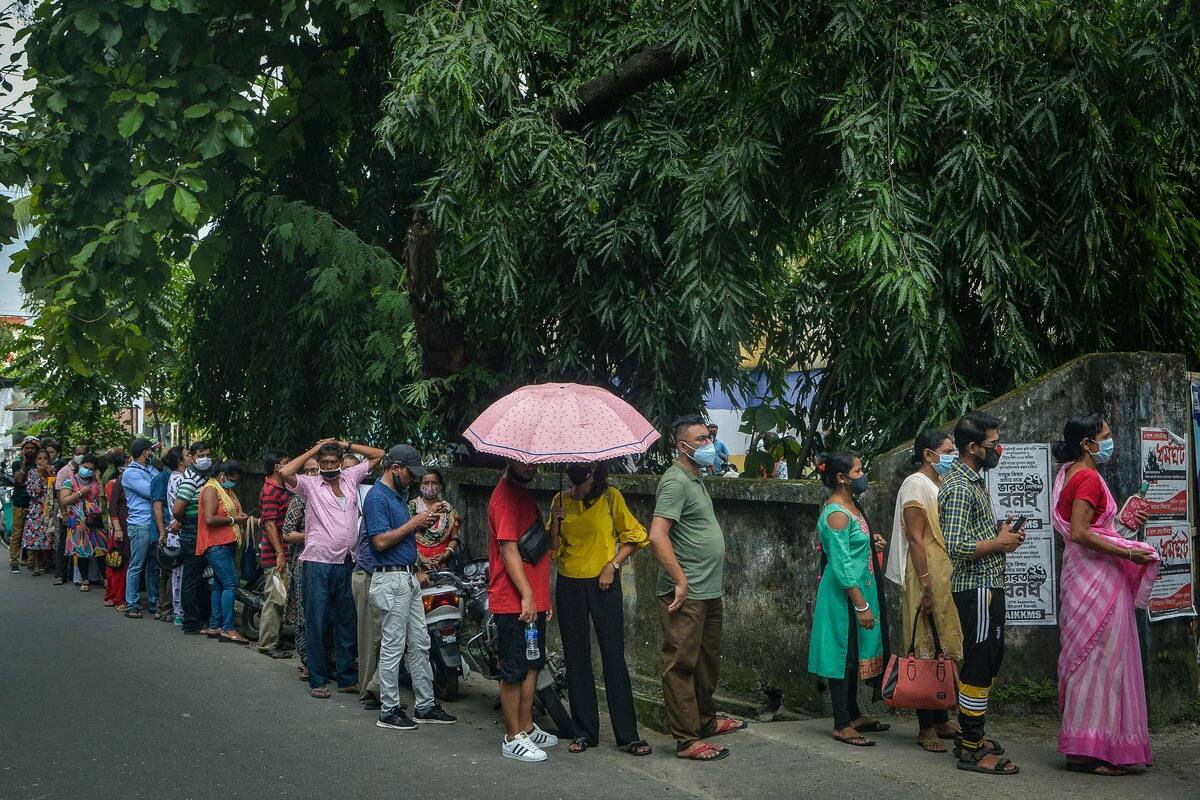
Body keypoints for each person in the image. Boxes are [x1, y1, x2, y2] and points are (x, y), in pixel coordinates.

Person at [1050, 415, 1159, 776]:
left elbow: (1093, 528)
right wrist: (1129, 551)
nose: (1110, 442)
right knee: (1102, 663)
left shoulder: (1068, 473)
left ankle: (1087, 746)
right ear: (1086, 443)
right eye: (1106, 436)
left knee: (1090, 662)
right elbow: (1081, 532)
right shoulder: (1086, 477)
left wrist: (1122, 527)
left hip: (1083, 575)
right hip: (1097, 578)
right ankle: (1092, 750)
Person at [648, 415, 746, 762]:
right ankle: (687, 739)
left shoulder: (696, 478)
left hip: (708, 590)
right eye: (701, 440)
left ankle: (705, 720)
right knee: (681, 665)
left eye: (708, 437)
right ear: (682, 446)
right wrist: (680, 579)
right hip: (684, 593)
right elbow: (657, 535)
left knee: (707, 662)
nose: (708, 444)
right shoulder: (675, 481)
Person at [940, 411, 1023, 775]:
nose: (998, 450)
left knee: (987, 661)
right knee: (978, 664)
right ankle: (971, 748)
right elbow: (956, 546)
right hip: (977, 588)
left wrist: (1000, 535)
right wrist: (999, 542)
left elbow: (973, 535)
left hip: (987, 585)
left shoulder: (973, 480)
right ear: (972, 448)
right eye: (992, 445)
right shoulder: (959, 487)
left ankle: (969, 736)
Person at [549, 462, 651, 756]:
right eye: (574, 471)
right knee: (576, 657)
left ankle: (628, 735)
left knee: (613, 656)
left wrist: (613, 565)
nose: (579, 477)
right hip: (569, 585)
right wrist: (555, 522)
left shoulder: (611, 497)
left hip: (604, 584)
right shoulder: (559, 500)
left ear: (594, 471)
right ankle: (584, 732)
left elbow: (635, 536)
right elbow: (553, 551)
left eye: (584, 471)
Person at [279, 438, 384, 699]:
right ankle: (317, 678)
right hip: (318, 561)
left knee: (346, 621)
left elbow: (379, 454)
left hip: (346, 561)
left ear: (339, 462)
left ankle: (347, 677)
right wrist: (314, 450)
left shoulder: (350, 477)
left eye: (332, 461)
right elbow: (284, 472)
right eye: (323, 462)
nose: (328, 466)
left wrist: (345, 445)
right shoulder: (310, 485)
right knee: (317, 620)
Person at [365, 445, 458, 730]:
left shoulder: (397, 496)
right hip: (391, 578)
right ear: (394, 468)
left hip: (407, 576)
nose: (413, 480)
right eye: (410, 473)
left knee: (420, 643)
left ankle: (425, 704)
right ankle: (389, 709)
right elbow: (380, 542)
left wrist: (422, 522)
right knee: (394, 646)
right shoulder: (376, 497)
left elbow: (402, 536)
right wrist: (414, 523)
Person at [883, 430, 965, 751]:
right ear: (929, 454)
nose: (953, 455)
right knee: (924, 646)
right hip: (924, 574)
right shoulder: (916, 485)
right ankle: (925, 728)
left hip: (943, 574)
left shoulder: (938, 484)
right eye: (948, 450)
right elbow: (916, 538)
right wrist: (926, 581)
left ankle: (942, 716)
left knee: (943, 644)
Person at [807, 452, 888, 746]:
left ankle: (853, 714)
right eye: (858, 470)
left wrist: (869, 541)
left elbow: (852, 546)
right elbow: (840, 565)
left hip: (856, 590)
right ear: (841, 478)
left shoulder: (851, 506)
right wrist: (861, 604)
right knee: (843, 656)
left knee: (854, 655)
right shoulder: (837, 513)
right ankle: (842, 723)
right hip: (844, 595)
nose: (862, 474)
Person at [489, 458, 558, 762]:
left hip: (532, 601)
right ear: (509, 460)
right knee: (514, 669)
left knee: (532, 664)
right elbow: (508, 548)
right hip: (514, 600)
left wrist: (540, 598)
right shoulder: (505, 496)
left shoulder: (522, 494)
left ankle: (527, 726)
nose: (531, 468)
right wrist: (528, 595)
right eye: (525, 463)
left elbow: (540, 548)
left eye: (534, 465)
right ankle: (512, 736)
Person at [197, 460, 251, 645]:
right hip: (216, 544)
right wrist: (234, 520)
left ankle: (215, 626)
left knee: (219, 585)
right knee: (231, 584)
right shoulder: (211, 489)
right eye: (232, 480)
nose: (234, 483)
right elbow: (210, 519)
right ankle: (228, 628)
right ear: (223, 476)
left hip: (225, 542)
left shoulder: (224, 489)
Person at [173, 441, 215, 635]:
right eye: (200, 455)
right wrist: (185, 521)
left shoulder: (202, 477)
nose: (205, 458)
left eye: (207, 454)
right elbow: (177, 509)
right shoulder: (190, 479)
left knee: (199, 579)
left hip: (200, 536)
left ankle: (198, 618)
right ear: (191, 456)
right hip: (192, 536)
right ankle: (191, 622)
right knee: (191, 580)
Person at [283, 457, 319, 682]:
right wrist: (314, 537)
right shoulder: (299, 500)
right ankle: (307, 662)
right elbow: (287, 532)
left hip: (330, 563)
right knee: (305, 614)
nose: (314, 475)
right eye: (309, 471)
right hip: (304, 562)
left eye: (317, 470)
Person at [257, 448, 293, 659]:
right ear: (278, 467)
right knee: (275, 598)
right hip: (275, 555)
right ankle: (268, 644)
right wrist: (280, 552)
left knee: (279, 597)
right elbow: (270, 524)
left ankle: (273, 639)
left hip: (280, 553)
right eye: (286, 462)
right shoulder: (271, 490)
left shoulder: (280, 488)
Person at [122, 438, 161, 619]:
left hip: (153, 523)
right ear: (145, 452)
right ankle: (132, 603)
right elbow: (151, 491)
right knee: (137, 564)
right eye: (150, 450)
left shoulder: (151, 469)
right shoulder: (130, 473)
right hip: (140, 523)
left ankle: (154, 602)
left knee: (154, 565)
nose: (152, 453)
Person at [59, 453, 106, 591]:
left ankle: (105, 578)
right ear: (79, 466)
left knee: (101, 550)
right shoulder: (70, 481)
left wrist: (98, 479)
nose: (88, 470)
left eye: (91, 469)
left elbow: (103, 497)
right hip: (78, 521)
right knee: (81, 551)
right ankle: (84, 580)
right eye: (85, 467)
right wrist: (80, 493)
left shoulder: (96, 481)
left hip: (95, 521)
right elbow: (63, 500)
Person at [153, 446, 187, 624]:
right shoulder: (178, 479)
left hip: (177, 531)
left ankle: (179, 611)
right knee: (178, 576)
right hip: (178, 531)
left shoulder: (178, 477)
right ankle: (179, 612)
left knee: (178, 575)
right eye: (188, 455)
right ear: (180, 461)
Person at [409, 469, 462, 570]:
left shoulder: (449, 510)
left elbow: (454, 538)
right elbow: (405, 537)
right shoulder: (411, 508)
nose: (430, 487)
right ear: (420, 486)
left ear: (440, 486)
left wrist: (445, 555)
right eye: (425, 483)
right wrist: (421, 558)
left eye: (434, 483)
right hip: (416, 565)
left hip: (442, 565)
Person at [52, 445, 87, 586]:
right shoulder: (65, 471)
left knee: (81, 544)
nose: (81, 456)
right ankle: (60, 575)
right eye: (79, 453)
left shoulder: (87, 470)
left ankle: (78, 575)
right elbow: (59, 494)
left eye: (84, 453)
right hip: (69, 514)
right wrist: (65, 513)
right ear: (74, 454)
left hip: (83, 515)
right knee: (64, 544)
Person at [104, 451, 131, 609]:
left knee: (121, 562)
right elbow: (112, 508)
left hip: (125, 526)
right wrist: (117, 529)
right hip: (118, 527)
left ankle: (116, 596)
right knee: (118, 563)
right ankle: (117, 597)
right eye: (128, 462)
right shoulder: (115, 483)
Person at [20, 448, 53, 575]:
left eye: (45, 458)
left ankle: (49, 563)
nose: (42, 461)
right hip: (36, 510)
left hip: (50, 509)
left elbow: (56, 489)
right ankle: (36, 565)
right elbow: (33, 492)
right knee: (36, 538)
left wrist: (50, 475)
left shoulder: (53, 472)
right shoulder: (32, 473)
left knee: (49, 537)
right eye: (40, 459)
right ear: (36, 461)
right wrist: (39, 475)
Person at [9, 435, 40, 572]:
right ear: (22, 449)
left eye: (32, 448)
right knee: (17, 533)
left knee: (33, 533)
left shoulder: (39, 463)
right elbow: (18, 480)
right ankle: (14, 562)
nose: (29, 450)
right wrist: (23, 463)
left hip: (35, 504)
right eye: (27, 448)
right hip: (19, 502)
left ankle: (32, 562)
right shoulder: (17, 464)